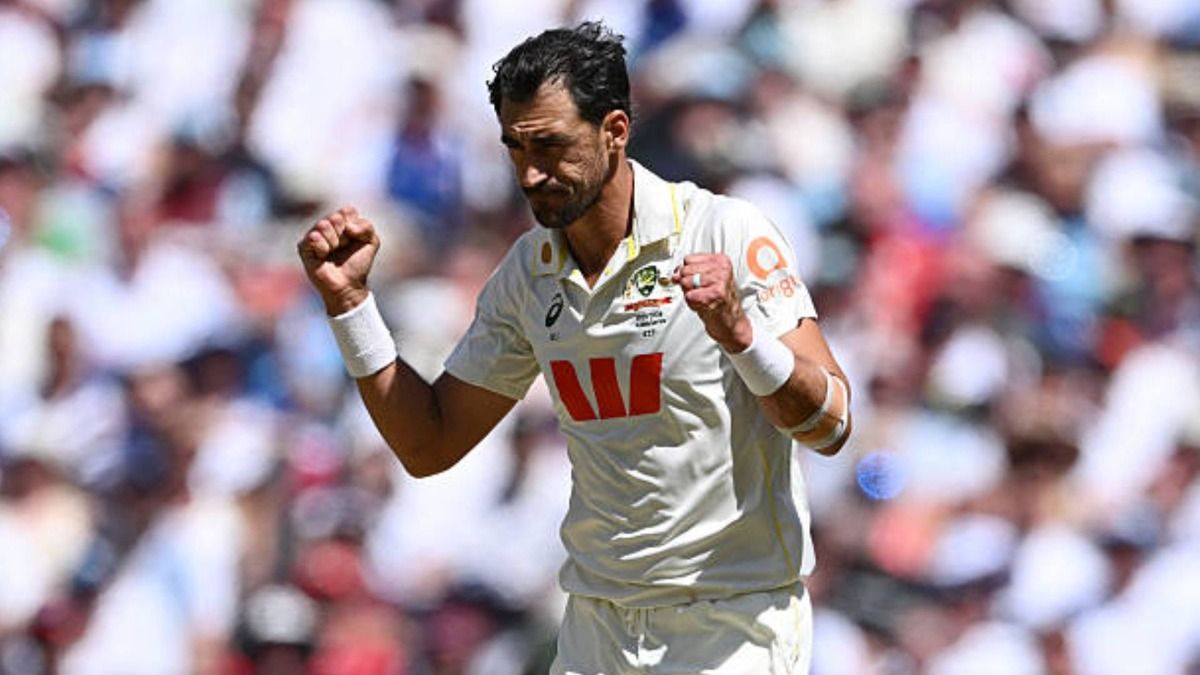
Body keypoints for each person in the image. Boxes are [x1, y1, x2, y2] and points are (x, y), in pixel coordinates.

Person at [297, 21, 852, 675]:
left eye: (551, 145)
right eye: (515, 147)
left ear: (615, 130)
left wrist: (743, 338)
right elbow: (428, 444)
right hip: (597, 630)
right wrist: (351, 307)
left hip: (730, 629)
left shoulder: (725, 231)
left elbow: (832, 424)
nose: (530, 173)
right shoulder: (528, 274)